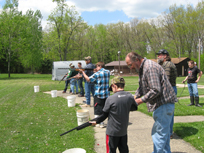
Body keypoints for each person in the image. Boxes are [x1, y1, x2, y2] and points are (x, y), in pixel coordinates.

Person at [125, 52, 177, 153]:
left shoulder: (149, 68)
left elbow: (155, 90)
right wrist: (135, 96)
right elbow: (141, 86)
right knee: (164, 136)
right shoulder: (143, 68)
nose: (130, 67)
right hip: (162, 105)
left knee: (159, 135)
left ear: (136, 60)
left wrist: (140, 100)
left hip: (163, 105)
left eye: (130, 64)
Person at [90, 76, 138, 153]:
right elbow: (134, 108)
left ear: (114, 86)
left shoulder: (110, 99)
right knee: (124, 150)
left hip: (112, 132)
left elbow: (104, 115)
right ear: (124, 86)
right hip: (123, 132)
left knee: (111, 151)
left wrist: (96, 121)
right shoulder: (129, 96)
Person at [80, 61, 110, 128]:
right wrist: (95, 72)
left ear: (100, 66)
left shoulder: (98, 73)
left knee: (98, 110)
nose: (96, 68)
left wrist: (83, 73)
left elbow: (88, 79)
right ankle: (103, 122)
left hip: (99, 94)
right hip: (106, 95)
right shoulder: (108, 72)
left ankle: (99, 123)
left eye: (97, 66)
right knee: (104, 109)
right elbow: (99, 80)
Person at [157, 49, 177, 139]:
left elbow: (166, 80)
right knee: (168, 112)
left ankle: (168, 133)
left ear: (165, 56)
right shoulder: (165, 64)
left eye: (159, 55)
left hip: (169, 89)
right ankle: (168, 132)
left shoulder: (167, 64)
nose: (158, 56)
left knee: (167, 112)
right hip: (171, 89)